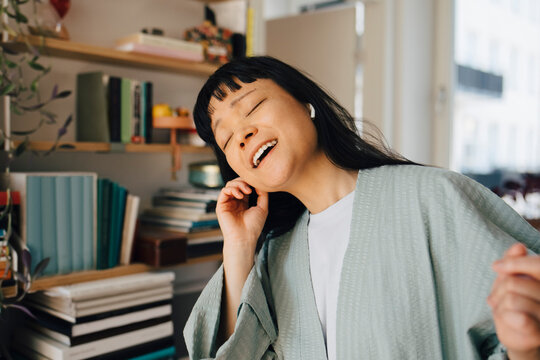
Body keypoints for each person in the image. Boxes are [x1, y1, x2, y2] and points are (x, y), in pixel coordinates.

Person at [183, 56, 540, 360]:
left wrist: (525, 347)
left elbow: (520, 332)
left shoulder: (433, 197)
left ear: (306, 103)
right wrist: (239, 247)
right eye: (226, 138)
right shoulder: (271, 256)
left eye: (251, 107)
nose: (242, 134)